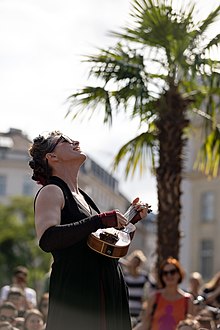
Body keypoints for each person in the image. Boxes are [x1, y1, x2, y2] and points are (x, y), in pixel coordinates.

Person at [28, 130, 150, 330]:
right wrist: (99, 221)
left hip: (106, 287)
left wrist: (129, 222)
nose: (75, 141)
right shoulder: (51, 191)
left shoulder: (85, 198)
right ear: (52, 157)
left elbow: (105, 249)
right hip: (79, 292)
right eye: (64, 141)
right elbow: (48, 239)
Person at [133, 257, 194, 330]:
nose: (169, 275)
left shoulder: (187, 300)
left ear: (179, 274)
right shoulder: (154, 297)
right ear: (162, 277)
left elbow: (191, 325)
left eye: (172, 272)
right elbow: (145, 324)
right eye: (165, 273)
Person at [120, 250, 156, 327]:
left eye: (137, 262)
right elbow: (118, 260)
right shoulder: (125, 275)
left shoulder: (144, 276)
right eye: (134, 262)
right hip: (126, 308)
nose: (135, 264)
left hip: (138, 309)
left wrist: (147, 301)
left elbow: (154, 286)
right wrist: (127, 264)